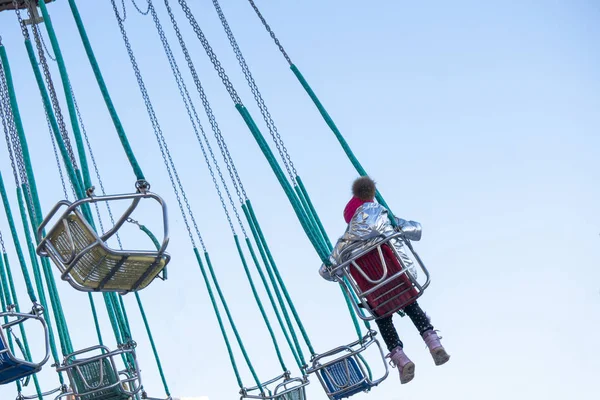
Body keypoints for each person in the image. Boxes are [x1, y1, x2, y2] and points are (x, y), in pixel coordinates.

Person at [319, 176, 450, 384]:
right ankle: (434, 343)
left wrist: (329, 263)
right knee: (411, 305)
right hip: (401, 282)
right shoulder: (386, 220)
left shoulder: (344, 243)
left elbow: (327, 272)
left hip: (376, 297)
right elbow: (417, 230)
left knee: (382, 317)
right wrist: (400, 226)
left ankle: (400, 358)